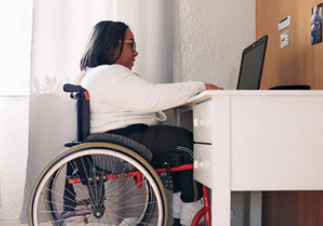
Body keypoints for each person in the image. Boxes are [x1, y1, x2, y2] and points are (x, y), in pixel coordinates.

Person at [77, 20, 222, 226]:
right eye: (131, 45)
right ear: (113, 44)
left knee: (182, 141)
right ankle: (191, 212)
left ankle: (184, 214)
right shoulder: (108, 74)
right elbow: (151, 97)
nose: (135, 53)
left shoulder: (99, 75)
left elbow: (147, 97)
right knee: (188, 145)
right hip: (123, 139)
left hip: (116, 138)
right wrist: (200, 86)